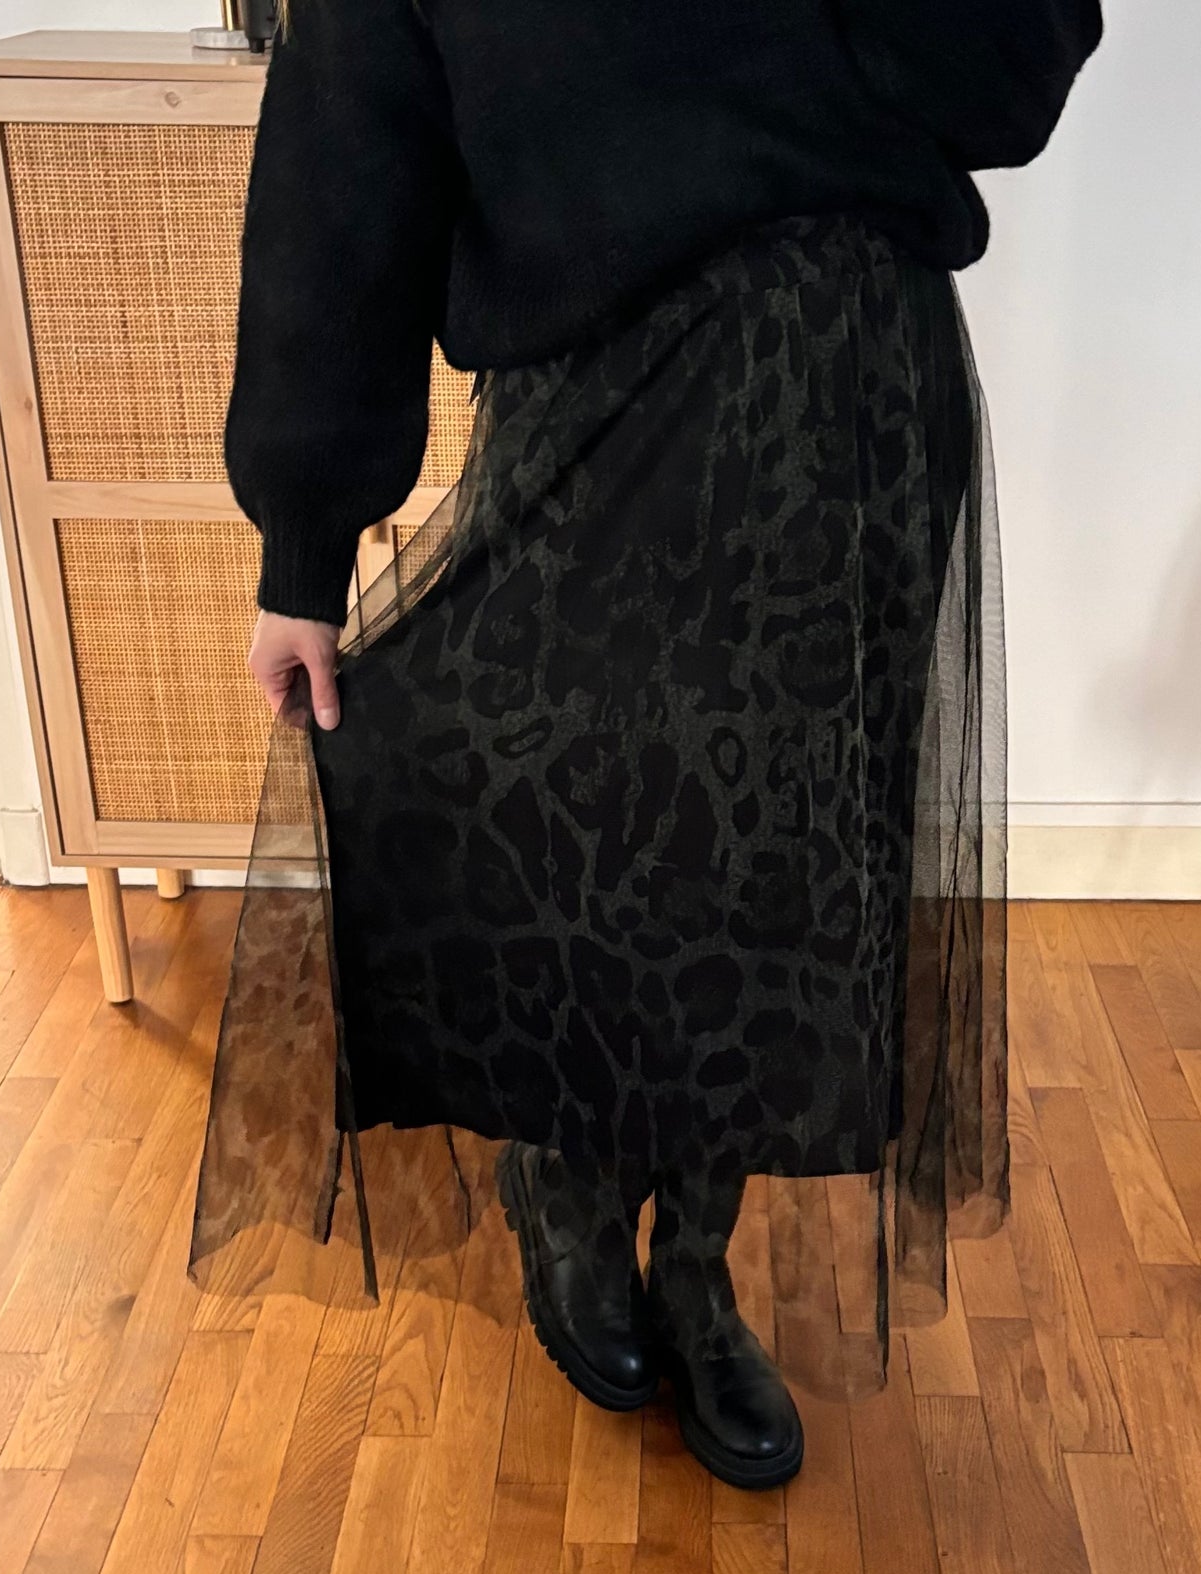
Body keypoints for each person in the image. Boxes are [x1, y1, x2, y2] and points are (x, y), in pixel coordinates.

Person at [188, 0, 1103, 1492]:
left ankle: (693, 1261)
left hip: (851, 411)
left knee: (771, 878)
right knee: (586, 839)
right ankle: (570, 1183)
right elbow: (348, 153)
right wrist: (305, 541)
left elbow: (1010, 85)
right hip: (590, 404)